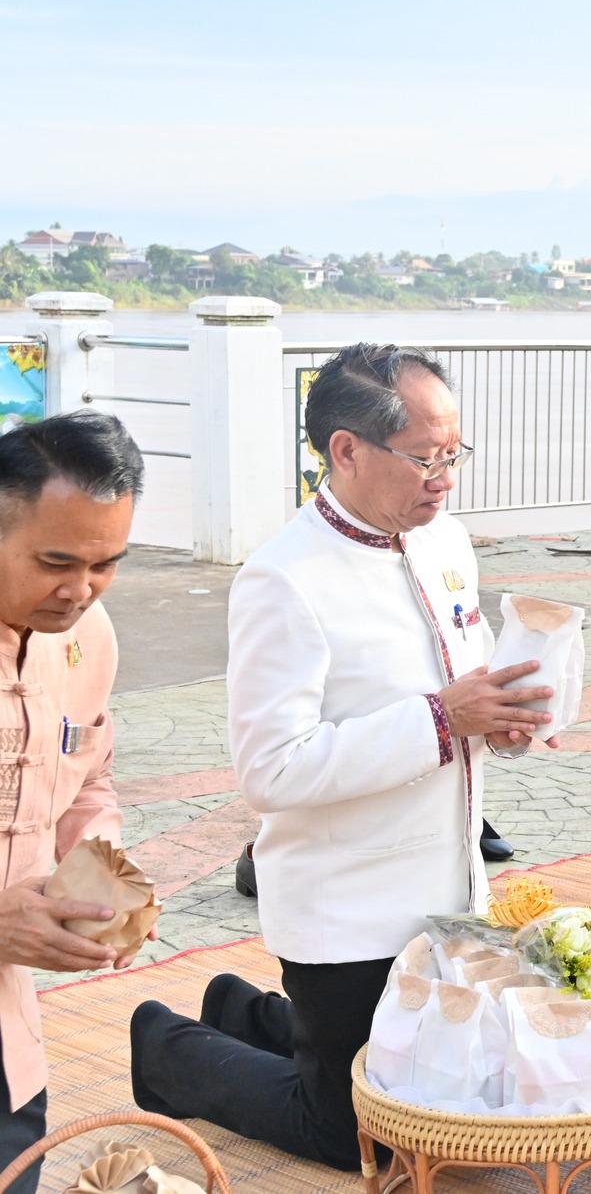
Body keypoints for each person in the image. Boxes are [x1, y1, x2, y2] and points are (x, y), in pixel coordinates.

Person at [129, 344, 555, 1169]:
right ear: (347, 449)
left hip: (451, 884)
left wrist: (499, 720)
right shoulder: (283, 580)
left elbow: (461, 693)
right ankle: (167, 1047)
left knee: (455, 1096)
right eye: (425, 458)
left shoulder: (444, 543)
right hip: (346, 908)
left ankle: (253, 1013)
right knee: (358, 1137)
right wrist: (440, 718)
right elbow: (270, 769)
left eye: (453, 454)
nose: (444, 477)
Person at [0, 412, 147, 1193]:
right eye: (55, 561)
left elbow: (87, 771)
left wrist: (101, 866)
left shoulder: (89, 635)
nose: (79, 589)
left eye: (106, 565)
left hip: (9, 1044)